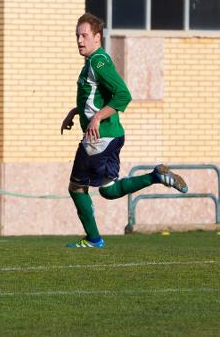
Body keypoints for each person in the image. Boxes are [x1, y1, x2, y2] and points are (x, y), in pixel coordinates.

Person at [60, 13, 188, 248]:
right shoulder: (92, 62)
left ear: (97, 37)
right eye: (77, 35)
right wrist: (75, 112)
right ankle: (155, 176)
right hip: (111, 136)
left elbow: (123, 94)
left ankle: (94, 239)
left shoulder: (98, 62)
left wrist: (97, 117)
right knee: (108, 191)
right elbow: (95, 98)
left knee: (77, 187)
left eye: (84, 35)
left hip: (98, 138)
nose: (79, 40)